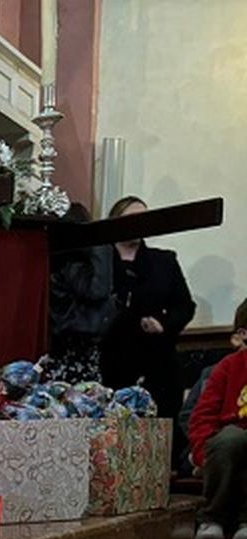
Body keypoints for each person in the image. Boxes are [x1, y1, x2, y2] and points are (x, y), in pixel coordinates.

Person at [100, 195, 196, 469]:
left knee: (160, 423)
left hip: (156, 357)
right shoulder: (102, 260)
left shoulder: (163, 261)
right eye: (133, 217)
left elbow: (185, 305)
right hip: (113, 356)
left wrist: (163, 323)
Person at [187, 298, 247, 539]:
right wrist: (204, 455)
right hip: (227, 441)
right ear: (243, 335)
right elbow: (202, 417)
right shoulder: (228, 367)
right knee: (232, 439)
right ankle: (212, 518)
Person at [46, 202, 115, 382]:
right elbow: (98, 290)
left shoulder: (57, 263)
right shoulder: (73, 266)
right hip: (77, 342)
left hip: (66, 343)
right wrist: (101, 243)